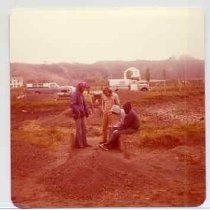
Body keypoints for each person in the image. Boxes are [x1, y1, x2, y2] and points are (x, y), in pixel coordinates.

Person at [70, 81, 91, 148]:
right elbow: (73, 104)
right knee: (78, 129)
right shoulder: (74, 94)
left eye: (85, 87)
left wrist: (87, 110)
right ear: (80, 87)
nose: (84, 88)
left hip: (82, 114)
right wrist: (78, 110)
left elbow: (84, 104)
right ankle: (79, 144)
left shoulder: (81, 94)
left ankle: (85, 143)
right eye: (83, 87)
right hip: (77, 114)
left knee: (84, 128)